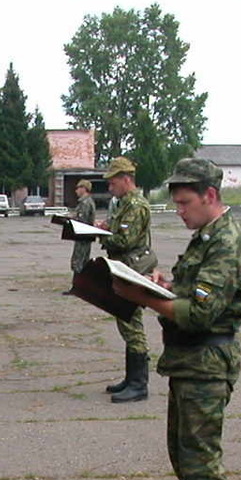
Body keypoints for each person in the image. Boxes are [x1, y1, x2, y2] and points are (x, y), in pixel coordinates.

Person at [111, 158, 241, 480]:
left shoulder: (227, 243)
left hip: (207, 363)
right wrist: (165, 285)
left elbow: (200, 314)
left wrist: (143, 296)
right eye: (176, 203)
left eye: (185, 202)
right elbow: (193, 292)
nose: (179, 210)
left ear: (210, 196)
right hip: (189, 362)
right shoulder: (206, 238)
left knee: (201, 457)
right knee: (182, 452)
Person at [97, 157, 156, 403]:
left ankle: (139, 384)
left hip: (132, 268)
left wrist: (101, 234)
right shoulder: (123, 203)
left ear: (126, 180)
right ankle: (131, 378)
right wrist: (105, 227)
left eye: (112, 183)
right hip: (122, 266)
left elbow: (124, 241)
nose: (110, 188)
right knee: (125, 321)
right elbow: (117, 230)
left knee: (131, 323)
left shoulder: (136, 205)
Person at [66, 179, 96, 292]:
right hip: (85, 235)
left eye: (78, 188)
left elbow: (82, 220)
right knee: (82, 261)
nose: (76, 191)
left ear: (84, 188)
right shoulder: (87, 202)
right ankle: (81, 286)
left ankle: (78, 287)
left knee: (78, 261)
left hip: (83, 235)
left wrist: (71, 219)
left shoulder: (85, 203)